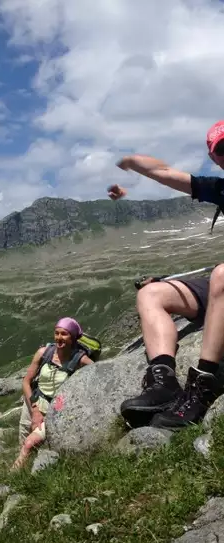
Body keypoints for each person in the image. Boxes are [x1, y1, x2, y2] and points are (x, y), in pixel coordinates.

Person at [108, 121, 224, 430]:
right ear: (215, 158)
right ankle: (163, 382)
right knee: (151, 293)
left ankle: (203, 387)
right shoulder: (218, 189)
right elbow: (164, 172)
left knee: (222, 275)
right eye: (223, 149)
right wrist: (130, 162)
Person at [12, 318, 93, 470]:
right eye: (56, 333)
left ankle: (10, 479)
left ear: (73, 337)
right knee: (23, 443)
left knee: (29, 444)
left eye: (64, 334)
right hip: (32, 403)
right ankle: (24, 474)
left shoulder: (79, 359)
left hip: (53, 410)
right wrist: (35, 410)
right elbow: (26, 382)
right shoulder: (44, 353)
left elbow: (97, 372)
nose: (59, 338)